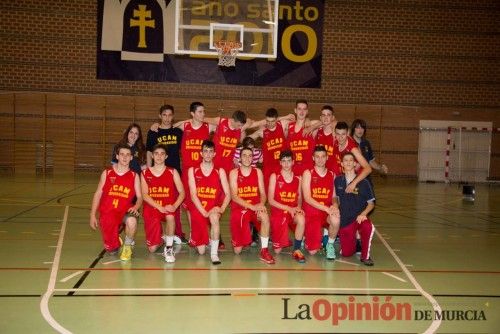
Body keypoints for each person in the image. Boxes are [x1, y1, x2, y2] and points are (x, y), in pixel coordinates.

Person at [90, 144, 142, 261]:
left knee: (132, 221)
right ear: (117, 156)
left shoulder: (134, 176)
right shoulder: (107, 173)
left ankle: (128, 246)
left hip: (125, 210)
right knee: (112, 251)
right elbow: (98, 193)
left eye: (128, 155)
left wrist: (136, 206)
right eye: (122, 154)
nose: (125, 157)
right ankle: (115, 240)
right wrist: (92, 215)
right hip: (108, 212)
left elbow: (139, 197)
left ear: (131, 158)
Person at [146, 104, 186, 243]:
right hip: (156, 173)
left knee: (175, 206)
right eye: (164, 115)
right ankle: (159, 234)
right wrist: (148, 171)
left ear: (173, 116)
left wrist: (179, 124)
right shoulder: (153, 132)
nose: (167, 118)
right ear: (160, 116)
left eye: (170, 115)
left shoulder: (178, 132)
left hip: (174, 173)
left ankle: (178, 234)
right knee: (156, 205)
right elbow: (150, 152)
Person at [229, 147, 275, 264]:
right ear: (240, 157)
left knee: (265, 216)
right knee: (237, 251)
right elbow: (234, 196)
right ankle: (240, 236)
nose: (247, 158)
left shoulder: (257, 172)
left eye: (250, 155)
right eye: (244, 155)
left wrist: (260, 204)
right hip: (239, 208)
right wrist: (252, 207)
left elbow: (263, 194)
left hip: (255, 207)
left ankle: (264, 251)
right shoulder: (234, 173)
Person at [187, 140, 231, 265]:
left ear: (214, 154)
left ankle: (214, 254)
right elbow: (193, 195)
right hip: (198, 208)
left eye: (210, 151)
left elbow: (228, 194)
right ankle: (203, 238)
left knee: (215, 219)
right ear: (201, 153)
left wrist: (221, 209)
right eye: (205, 151)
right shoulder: (193, 170)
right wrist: (204, 212)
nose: (207, 154)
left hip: (213, 208)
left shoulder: (219, 171)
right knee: (201, 251)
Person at [141, 144, 185, 263]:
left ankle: (169, 248)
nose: (159, 156)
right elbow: (145, 195)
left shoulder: (172, 171)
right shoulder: (145, 173)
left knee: (171, 216)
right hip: (152, 208)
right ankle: (162, 238)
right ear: (152, 156)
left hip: (167, 207)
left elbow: (182, 192)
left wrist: (175, 206)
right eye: (156, 153)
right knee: (152, 249)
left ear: (166, 156)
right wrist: (159, 207)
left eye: (162, 154)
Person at [334, 152, 375, 266]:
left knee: (367, 226)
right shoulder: (337, 181)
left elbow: (371, 204)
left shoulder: (364, 182)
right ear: (341, 164)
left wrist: (364, 214)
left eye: (351, 160)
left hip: (358, 218)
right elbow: (336, 198)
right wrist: (335, 207)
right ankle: (357, 243)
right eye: (345, 160)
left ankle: (365, 256)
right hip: (345, 222)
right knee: (346, 253)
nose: (348, 162)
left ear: (355, 164)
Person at [301, 145, 340, 260]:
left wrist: (335, 205)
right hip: (312, 212)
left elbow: (334, 196)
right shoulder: (308, 173)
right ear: (313, 158)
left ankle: (330, 245)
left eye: (323, 156)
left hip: (326, 211)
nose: (320, 159)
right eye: (317, 157)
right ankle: (306, 235)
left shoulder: (332, 175)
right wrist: (326, 209)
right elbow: (307, 198)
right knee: (313, 252)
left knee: (336, 218)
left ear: (327, 157)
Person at [268, 150, 306, 263]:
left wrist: (298, 207)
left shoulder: (298, 178)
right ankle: (278, 235)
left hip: (293, 211)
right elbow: (270, 200)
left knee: (301, 219)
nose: (286, 164)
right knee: (278, 251)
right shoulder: (275, 177)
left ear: (293, 162)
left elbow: (299, 197)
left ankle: (297, 249)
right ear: (280, 162)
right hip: (279, 212)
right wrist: (289, 208)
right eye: (283, 161)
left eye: (289, 161)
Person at [249, 107, 293, 190]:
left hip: (283, 166)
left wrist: (285, 117)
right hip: (268, 168)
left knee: (284, 191)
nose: (269, 124)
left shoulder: (282, 125)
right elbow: (246, 139)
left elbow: (299, 122)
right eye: (267, 121)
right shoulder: (262, 131)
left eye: (272, 121)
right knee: (268, 193)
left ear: (277, 120)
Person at [333, 122, 372, 193]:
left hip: (356, 182)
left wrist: (353, 183)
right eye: (338, 134)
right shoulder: (335, 143)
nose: (340, 137)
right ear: (335, 134)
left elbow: (368, 168)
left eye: (343, 134)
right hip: (344, 181)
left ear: (347, 133)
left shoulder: (352, 149)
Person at [287, 100, 321, 176]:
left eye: (304, 109)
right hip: (292, 170)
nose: (302, 112)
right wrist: (285, 117)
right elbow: (271, 122)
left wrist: (311, 127)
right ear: (295, 110)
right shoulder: (289, 125)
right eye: (299, 109)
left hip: (308, 170)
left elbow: (329, 120)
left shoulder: (311, 124)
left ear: (307, 111)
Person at [313, 105, 337, 173]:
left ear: (333, 118)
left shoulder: (338, 134)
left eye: (328, 115)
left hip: (333, 172)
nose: (326, 118)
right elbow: (306, 122)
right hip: (318, 171)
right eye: (323, 115)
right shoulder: (316, 131)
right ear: (320, 117)